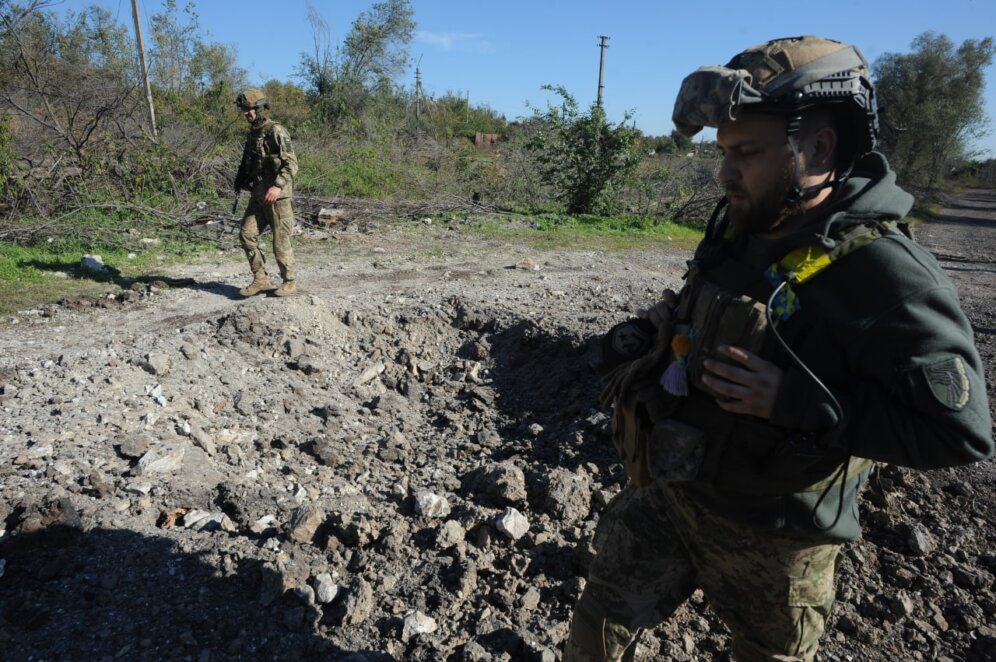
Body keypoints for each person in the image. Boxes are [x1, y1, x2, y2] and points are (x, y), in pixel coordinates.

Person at [564, 35, 993, 661]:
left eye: (747, 152)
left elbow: (961, 434)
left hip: (777, 539)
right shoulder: (744, 227)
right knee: (594, 634)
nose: (725, 171)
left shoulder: (885, 273)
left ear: (818, 148)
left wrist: (794, 402)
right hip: (672, 495)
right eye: (723, 152)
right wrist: (659, 333)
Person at [234, 88, 299, 297]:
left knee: (280, 241)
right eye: (245, 110)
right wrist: (242, 181)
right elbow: (249, 163)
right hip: (259, 194)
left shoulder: (276, 131)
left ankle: (289, 281)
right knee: (247, 234)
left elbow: (292, 164)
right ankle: (260, 279)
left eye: (250, 109)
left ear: (260, 108)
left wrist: (277, 185)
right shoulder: (254, 134)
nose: (247, 113)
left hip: (277, 196)